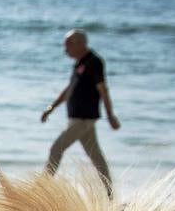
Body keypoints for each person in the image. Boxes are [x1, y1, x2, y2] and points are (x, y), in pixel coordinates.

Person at [41, 28, 120, 197]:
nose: (65, 50)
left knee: (56, 148)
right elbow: (70, 89)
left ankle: (42, 189)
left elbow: (103, 90)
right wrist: (51, 108)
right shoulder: (79, 63)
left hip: (84, 119)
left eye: (68, 45)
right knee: (96, 156)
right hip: (78, 119)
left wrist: (110, 115)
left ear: (79, 43)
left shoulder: (94, 62)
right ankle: (110, 193)